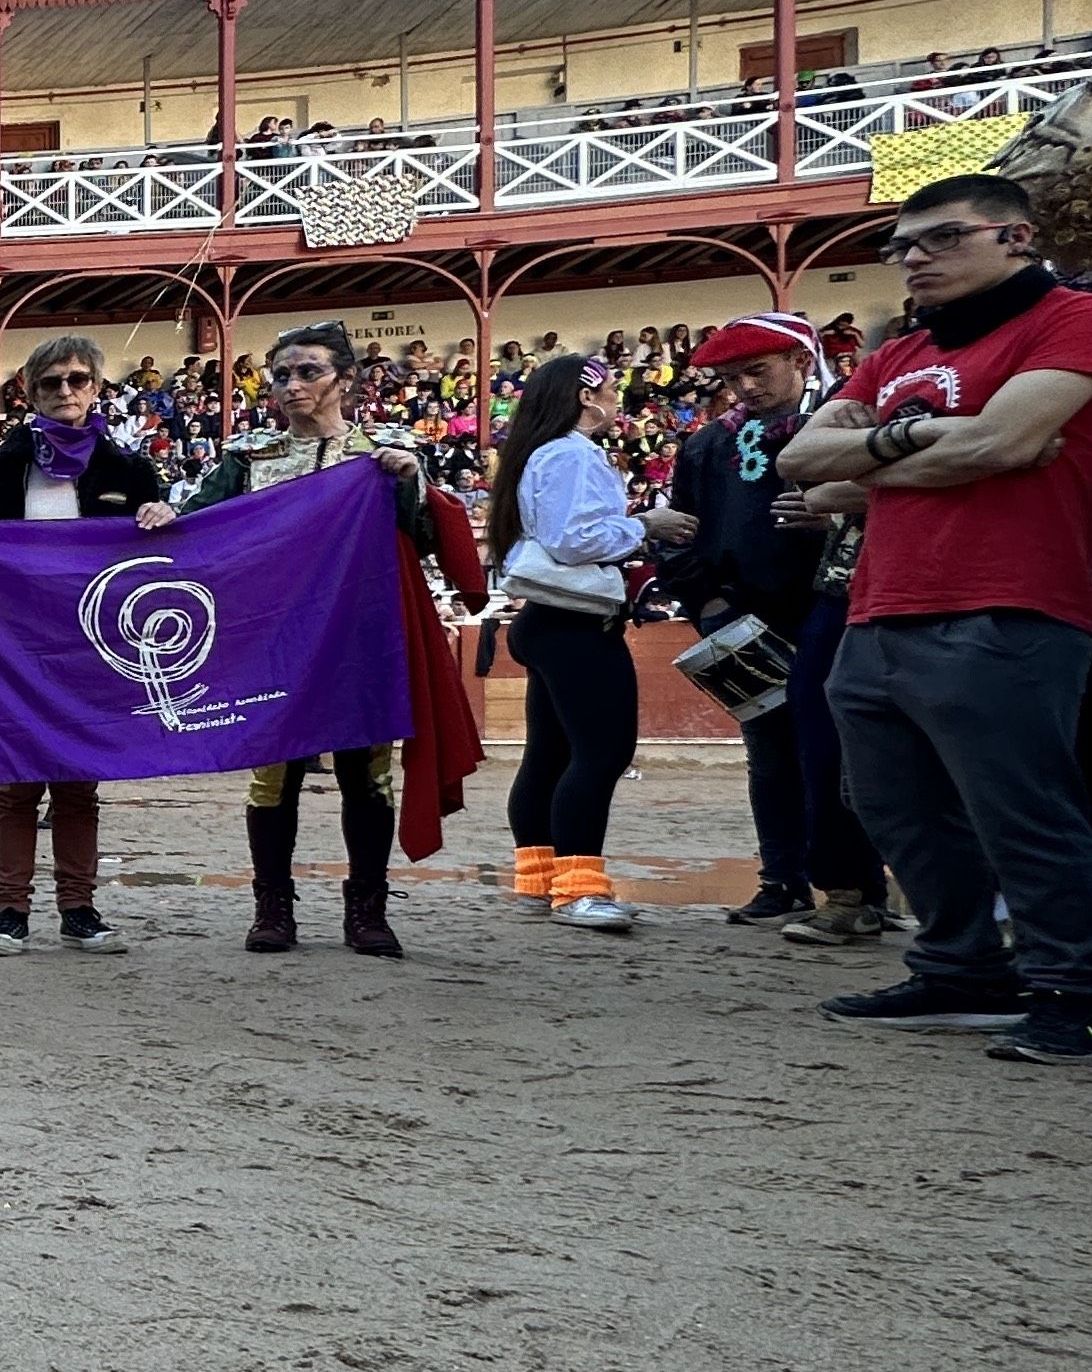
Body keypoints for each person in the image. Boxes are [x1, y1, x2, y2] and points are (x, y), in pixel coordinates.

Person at [780, 173, 1092, 1064]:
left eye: (941, 238)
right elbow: (802, 462)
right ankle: (964, 968)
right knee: (892, 803)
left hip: (1010, 598)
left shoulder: (1074, 318)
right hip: (881, 603)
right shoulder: (897, 352)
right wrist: (920, 443)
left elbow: (1004, 442)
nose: (914, 257)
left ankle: (1080, 993)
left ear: (1017, 238)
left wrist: (869, 472)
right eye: (902, 246)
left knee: (1020, 810)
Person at [154, 322, 444, 959]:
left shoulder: (383, 455)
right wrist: (164, 517)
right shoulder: (247, 457)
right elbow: (197, 534)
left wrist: (408, 482)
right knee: (271, 778)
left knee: (365, 778)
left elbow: (423, 542)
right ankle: (273, 909)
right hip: (274, 643)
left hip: (358, 639)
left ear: (345, 379)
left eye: (307, 372)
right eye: (281, 374)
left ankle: (368, 911)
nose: (290, 385)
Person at [0, 337, 165, 957]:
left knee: (77, 786)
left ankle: (79, 909)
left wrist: (166, 517)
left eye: (78, 380)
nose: (66, 391)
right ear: (29, 393)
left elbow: (163, 561)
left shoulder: (131, 473)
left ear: (96, 389)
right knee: (14, 787)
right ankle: (10, 913)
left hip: (94, 648)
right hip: (12, 649)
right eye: (51, 382)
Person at [658, 313, 881, 935]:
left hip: (833, 604)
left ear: (803, 363)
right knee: (771, 753)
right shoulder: (708, 445)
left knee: (842, 752)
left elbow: (894, 507)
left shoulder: (848, 428)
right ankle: (785, 880)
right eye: (732, 377)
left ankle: (859, 887)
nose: (744, 388)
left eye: (757, 370)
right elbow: (681, 532)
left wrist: (832, 519)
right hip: (739, 614)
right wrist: (707, 607)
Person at [487, 354, 690, 930]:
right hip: (577, 622)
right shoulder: (572, 453)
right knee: (600, 753)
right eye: (610, 390)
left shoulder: (541, 452)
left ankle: (541, 876)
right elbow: (575, 539)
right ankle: (579, 887)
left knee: (550, 755)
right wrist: (645, 526)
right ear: (584, 396)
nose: (617, 400)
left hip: (549, 621)